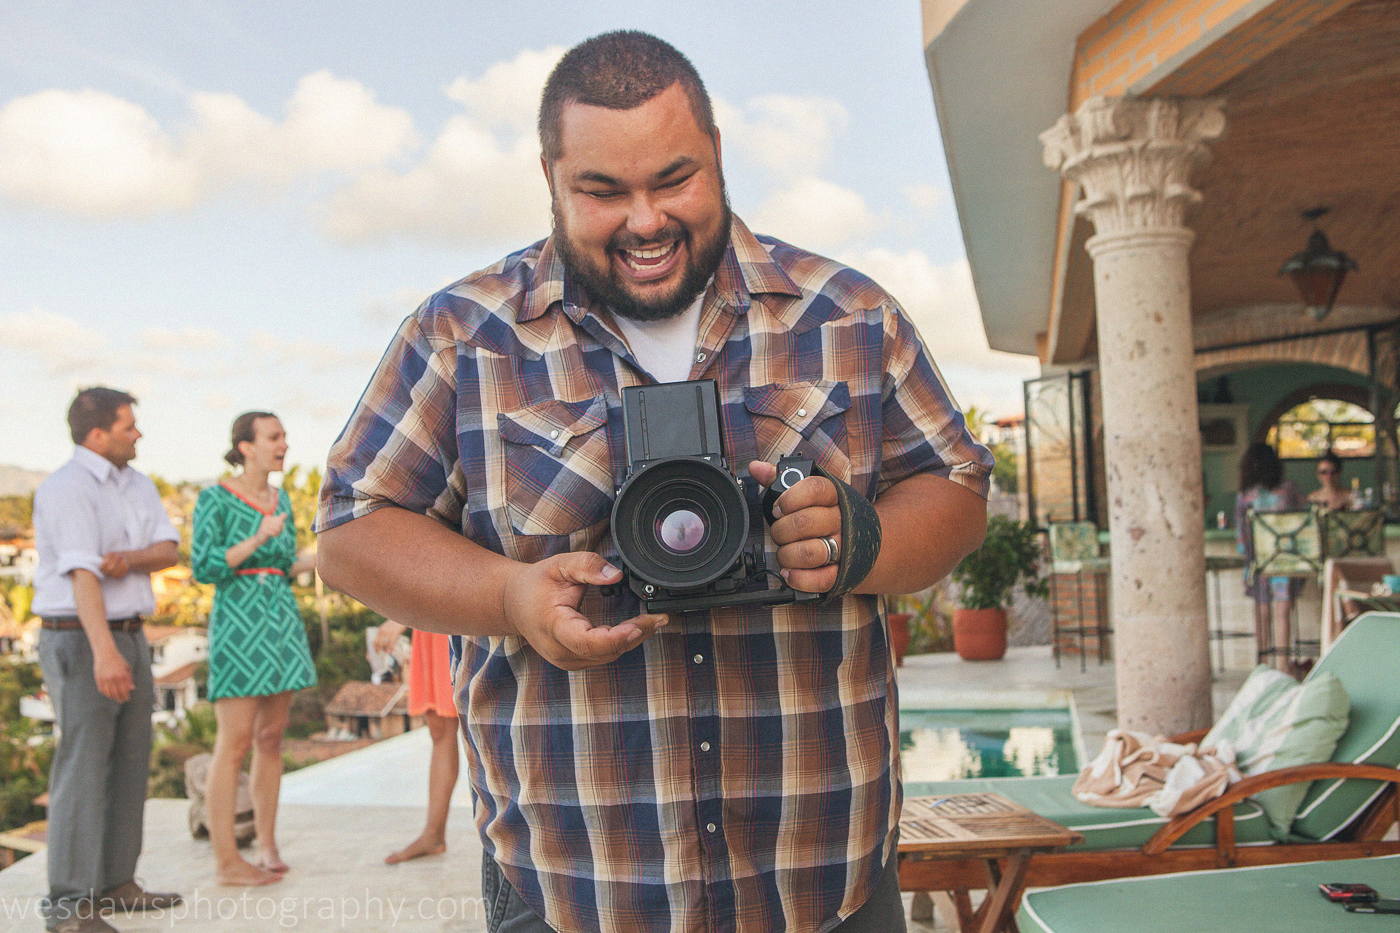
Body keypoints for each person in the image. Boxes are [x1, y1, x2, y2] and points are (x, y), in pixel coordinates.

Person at [315, 31, 991, 933]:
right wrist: (511, 596)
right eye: (602, 191)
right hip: (570, 884)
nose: (644, 221)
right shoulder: (461, 337)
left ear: (717, 152)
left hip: (824, 876)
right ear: (550, 178)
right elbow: (350, 531)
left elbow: (956, 487)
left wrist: (860, 539)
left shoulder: (851, 316)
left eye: (674, 180)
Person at [32, 387, 183, 933]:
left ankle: (117, 884)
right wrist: (104, 653)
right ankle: (70, 907)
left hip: (131, 634)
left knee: (130, 761)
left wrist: (129, 560)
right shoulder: (66, 488)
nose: (138, 433)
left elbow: (168, 551)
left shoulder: (139, 485)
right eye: (128, 426)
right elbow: (83, 575)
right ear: (97, 435)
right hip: (82, 639)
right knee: (83, 767)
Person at [191, 412, 316, 886]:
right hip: (238, 625)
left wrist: (325, 556)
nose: (283, 445)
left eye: (284, 437)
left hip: (281, 621)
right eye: (273, 437)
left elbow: (284, 564)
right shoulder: (214, 498)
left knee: (271, 738)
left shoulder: (282, 499)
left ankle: (267, 844)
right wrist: (258, 537)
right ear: (246, 447)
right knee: (235, 742)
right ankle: (227, 861)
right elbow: (204, 566)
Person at [372, 620, 461, 864]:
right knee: (439, 726)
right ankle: (433, 834)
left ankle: (510, 839)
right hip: (430, 622)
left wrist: (400, 618)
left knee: (484, 722)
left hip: (455, 611)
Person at [1235, 442, 1305, 672]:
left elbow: (1241, 535)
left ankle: (1262, 666)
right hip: (1286, 559)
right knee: (1282, 610)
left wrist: (1247, 558)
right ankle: (1284, 666)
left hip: (1258, 561)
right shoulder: (1289, 489)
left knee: (1262, 612)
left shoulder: (1245, 495)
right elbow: (1304, 519)